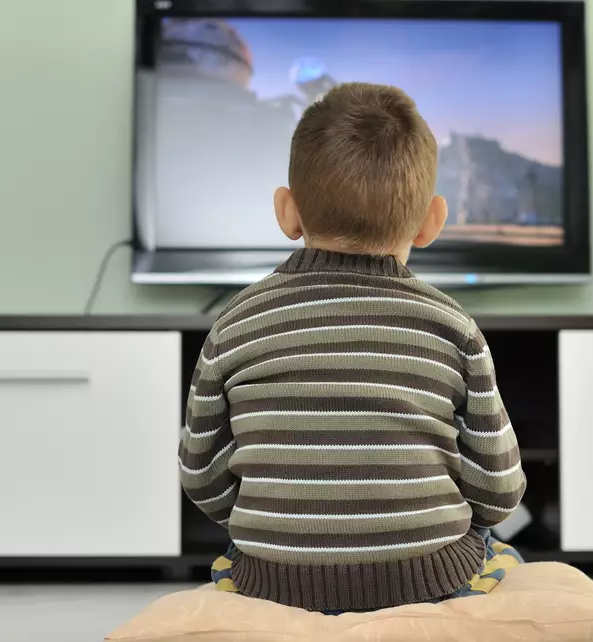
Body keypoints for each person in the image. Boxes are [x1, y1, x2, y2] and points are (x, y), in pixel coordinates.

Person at [179, 83, 527, 613]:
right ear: (433, 221)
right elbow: (498, 489)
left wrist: (279, 526)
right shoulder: (452, 327)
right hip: (425, 579)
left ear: (287, 211)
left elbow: (201, 474)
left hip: (274, 582)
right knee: (506, 557)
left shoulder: (234, 324)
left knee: (229, 560)